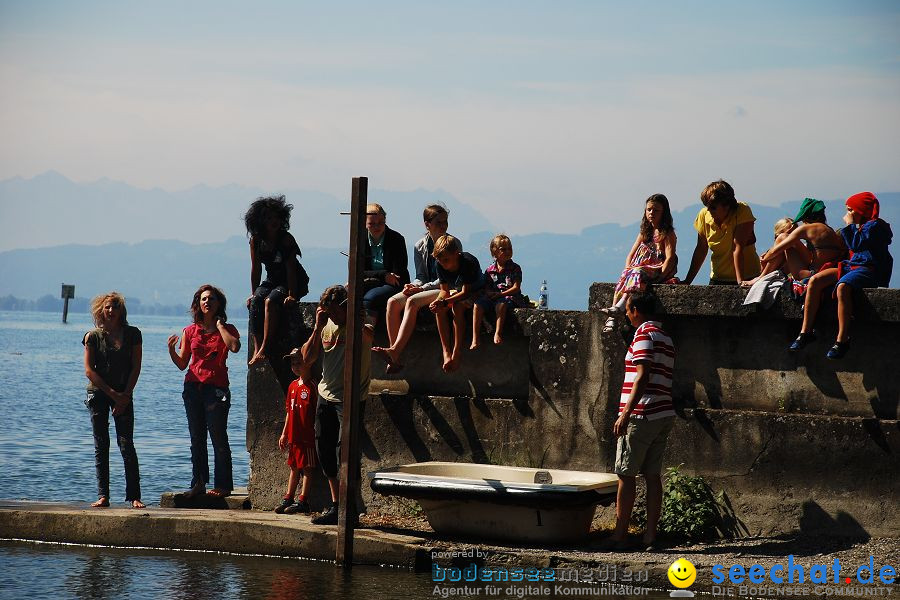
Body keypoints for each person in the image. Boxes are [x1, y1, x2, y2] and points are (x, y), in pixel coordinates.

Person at [608, 289, 675, 551]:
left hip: (641, 413)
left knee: (626, 474)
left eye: (628, 310)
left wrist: (625, 413)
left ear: (636, 310)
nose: (626, 314)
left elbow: (642, 375)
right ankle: (649, 536)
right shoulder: (665, 337)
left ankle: (620, 534)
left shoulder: (644, 334)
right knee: (652, 476)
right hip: (662, 411)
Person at [300, 285, 373, 525]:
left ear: (345, 308)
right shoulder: (326, 327)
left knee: (346, 452)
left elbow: (369, 336)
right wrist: (317, 327)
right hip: (326, 395)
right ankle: (336, 505)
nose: (330, 315)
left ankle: (349, 507)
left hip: (350, 398)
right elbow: (307, 359)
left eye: (333, 311)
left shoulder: (359, 327)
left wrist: (358, 323)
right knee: (324, 450)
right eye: (326, 311)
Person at [789, 192, 892, 359]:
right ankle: (805, 331)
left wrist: (850, 226)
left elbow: (857, 245)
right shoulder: (862, 227)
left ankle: (842, 339)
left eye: (851, 209)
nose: (848, 213)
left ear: (861, 210)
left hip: (868, 269)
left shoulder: (876, 227)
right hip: (852, 267)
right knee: (815, 281)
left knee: (843, 287)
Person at [168, 284, 241, 498]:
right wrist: (172, 351)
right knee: (196, 438)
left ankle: (223, 485)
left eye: (211, 299)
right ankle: (198, 483)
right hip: (193, 388)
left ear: (219, 304)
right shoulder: (190, 331)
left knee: (218, 436)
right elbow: (183, 363)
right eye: (203, 299)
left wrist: (220, 327)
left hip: (216, 389)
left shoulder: (228, 329)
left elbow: (235, 347)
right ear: (198, 304)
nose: (207, 302)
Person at [82, 292, 145, 509]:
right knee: (101, 444)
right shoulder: (92, 336)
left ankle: (135, 496)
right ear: (101, 310)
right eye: (108, 307)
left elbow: (136, 367)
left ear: (121, 311)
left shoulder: (133, 334)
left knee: (126, 443)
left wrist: (124, 396)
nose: (111, 311)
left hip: (124, 394)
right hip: (99, 394)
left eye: (115, 307)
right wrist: (113, 394)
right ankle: (103, 496)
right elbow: (89, 371)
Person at [373, 204, 449, 373]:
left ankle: (394, 352)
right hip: (426, 287)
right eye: (439, 222)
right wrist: (412, 285)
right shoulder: (420, 245)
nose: (443, 226)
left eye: (445, 222)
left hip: (443, 288)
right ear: (427, 224)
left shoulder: (451, 244)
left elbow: (446, 278)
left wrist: (421, 289)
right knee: (392, 302)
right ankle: (395, 357)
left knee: (413, 302)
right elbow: (421, 275)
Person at [245, 195, 309, 365]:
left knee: (271, 301)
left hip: (293, 281)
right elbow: (256, 269)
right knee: (258, 300)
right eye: (268, 218)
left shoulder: (286, 239)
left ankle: (265, 348)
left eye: (276, 217)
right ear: (260, 221)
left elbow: (291, 269)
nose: (273, 221)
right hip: (272, 279)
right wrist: (253, 293)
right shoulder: (256, 241)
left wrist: (292, 294)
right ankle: (257, 347)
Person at [603, 194, 678, 332]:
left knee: (636, 273)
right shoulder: (645, 232)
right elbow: (631, 254)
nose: (651, 213)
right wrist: (627, 269)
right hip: (641, 269)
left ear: (663, 213)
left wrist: (661, 276)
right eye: (649, 209)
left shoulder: (667, 233)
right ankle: (612, 317)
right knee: (628, 275)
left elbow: (670, 258)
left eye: (656, 210)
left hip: (657, 269)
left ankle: (619, 308)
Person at [749, 198, 847, 288]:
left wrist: (764, 258)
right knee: (787, 242)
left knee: (783, 237)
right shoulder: (829, 230)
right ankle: (762, 276)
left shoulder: (806, 228)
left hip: (810, 274)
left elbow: (774, 251)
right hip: (826, 273)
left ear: (806, 217)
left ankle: (760, 277)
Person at [683, 180, 761, 286]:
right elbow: (701, 249)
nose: (709, 210)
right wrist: (688, 281)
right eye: (707, 206)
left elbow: (737, 247)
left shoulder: (742, 211)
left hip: (749, 276)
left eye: (714, 207)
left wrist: (741, 283)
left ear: (726, 205)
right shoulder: (704, 215)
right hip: (718, 277)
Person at [429, 234, 484, 372]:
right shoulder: (439, 263)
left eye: (446, 260)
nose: (443, 264)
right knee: (439, 310)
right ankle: (446, 351)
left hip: (476, 290)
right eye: (440, 260)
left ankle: (457, 351)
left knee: (457, 308)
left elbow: (466, 292)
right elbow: (444, 290)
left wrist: (446, 301)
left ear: (456, 254)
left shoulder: (468, 262)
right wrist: (439, 301)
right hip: (458, 290)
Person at [274, 348, 318, 515]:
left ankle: (303, 500)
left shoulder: (313, 386)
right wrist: (284, 433)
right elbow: (288, 411)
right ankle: (288, 497)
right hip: (294, 434)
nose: (295, 366)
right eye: (293, 363)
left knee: (307, 467)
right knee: (293, 466)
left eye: (298, 362)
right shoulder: (292, 386)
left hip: (307, 436)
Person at [471, 234, 526, 348]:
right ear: (494, 252)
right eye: (503, 249)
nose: (507, 251)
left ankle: (497, 333)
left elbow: (516, 288)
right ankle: (475, 338)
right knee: (477, 305)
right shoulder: (490, 270)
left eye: (509, 248)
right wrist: (489, 293)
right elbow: (486, 286)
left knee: (501, 305)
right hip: (493, 296)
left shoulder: (515, 268)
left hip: (509, 296)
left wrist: (501, 294)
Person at [362, 203, 410, 323]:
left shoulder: (396, 239)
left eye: (380, 223)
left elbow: (398, 273)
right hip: (372, 281)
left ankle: (367, 337)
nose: (377, 227)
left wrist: (374, 276)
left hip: (395, 284)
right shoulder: (359, 239)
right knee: (342, 295)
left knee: (370, 298)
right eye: (372, 224)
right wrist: (383, 275)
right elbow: (356, 270)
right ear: (364, 223)